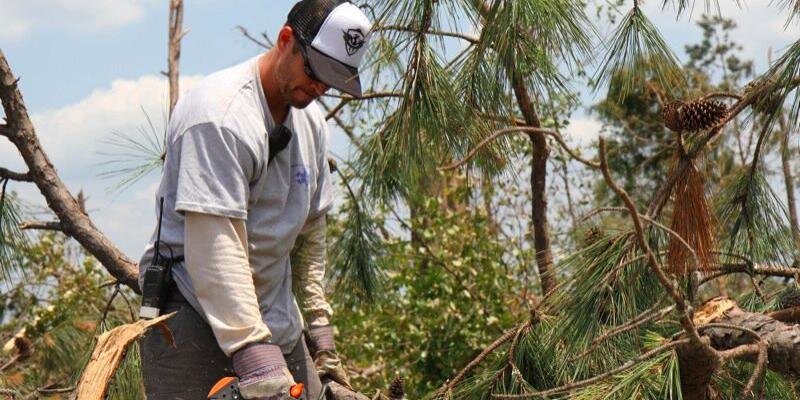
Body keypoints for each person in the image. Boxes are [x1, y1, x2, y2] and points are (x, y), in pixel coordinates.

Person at [137, 1, 372, 398]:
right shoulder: (219, 116)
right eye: (314, 72)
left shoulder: (311, 124)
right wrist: (255, 357)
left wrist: (322, 337)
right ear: (285, 40)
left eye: (332, 80)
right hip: (192, 314)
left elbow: (310, 236)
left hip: (272, 317)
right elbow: (215, 249)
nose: (319, 88)